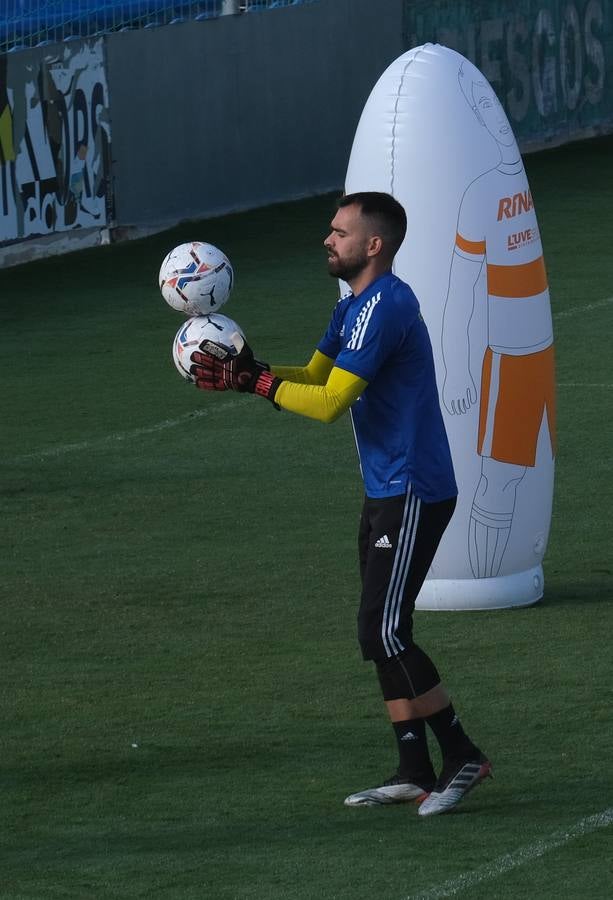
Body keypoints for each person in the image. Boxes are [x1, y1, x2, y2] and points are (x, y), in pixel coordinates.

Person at [190, 191, 491, 817]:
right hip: (386, 488)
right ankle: (414, 768)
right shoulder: (351, 302)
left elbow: (331, 403)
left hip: (414, 489)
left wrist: (260, 385)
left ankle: (462, 754)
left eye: (339, 232)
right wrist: (257, 373)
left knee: (383, 630)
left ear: (373, 245)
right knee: (381, 632)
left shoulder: (387, 306)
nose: (328, 240)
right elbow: (316, 374)